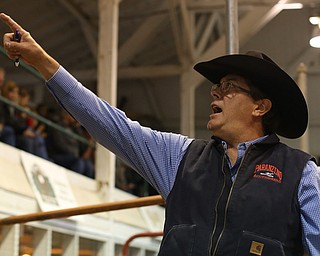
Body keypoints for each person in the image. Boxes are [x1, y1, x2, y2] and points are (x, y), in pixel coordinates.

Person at [1, 13, 319, 255]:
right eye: (216, 87)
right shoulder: (179, 157)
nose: (214, 94)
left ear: (260, 107)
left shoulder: (302, 174)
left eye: (228, 87)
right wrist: (42, 63)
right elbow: (109, 123)